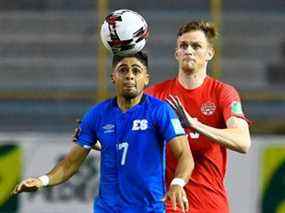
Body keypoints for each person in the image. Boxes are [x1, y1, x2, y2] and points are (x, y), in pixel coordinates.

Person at [13, 52, 195, 213]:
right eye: (123, 70)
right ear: (113, 77)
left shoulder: (160, 111)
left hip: (149, 209)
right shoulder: (97, 114)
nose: (130, 76)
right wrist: (42, 180)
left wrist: (178, 183)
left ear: (146, 78)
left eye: (136, 71)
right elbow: (70, 165)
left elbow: (185, 155)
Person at [144, 21, 252, 213]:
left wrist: (195, 124)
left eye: (196, 46)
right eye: (183, 46)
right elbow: (130, 133)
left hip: (210, 205)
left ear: (210, 54)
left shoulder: (223, 93)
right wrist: (101, 144)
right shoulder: (155, 95)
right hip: (167, 203)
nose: (189, 50)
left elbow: (243, 141)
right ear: (176, 54)